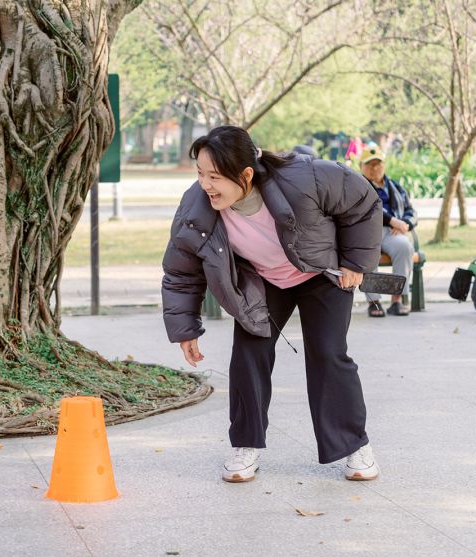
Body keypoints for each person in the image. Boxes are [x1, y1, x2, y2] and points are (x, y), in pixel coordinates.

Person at [161, 125, 382, 484]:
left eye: (214, 176)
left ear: (246, 174)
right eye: (200, 173)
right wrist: (185, 328)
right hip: (263, 281)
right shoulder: (197, 206)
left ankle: (355, 446)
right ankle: (245, 445)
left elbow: (361, 201)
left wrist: (355, 262)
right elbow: (181, 270)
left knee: (328, 354)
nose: (205, 184)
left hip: (319, 275)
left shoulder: (303, 176)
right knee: (249, 354)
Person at [359, 146, 417, 317]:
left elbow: (411, 211)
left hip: (393, 233)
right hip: (367, 232)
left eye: (377, 164)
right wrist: (393, 221)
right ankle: (374, 302)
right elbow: (369, 209)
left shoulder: (395, 187)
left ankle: (396, 301)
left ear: (383, 165)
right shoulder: (359, 186)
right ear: (361, 166)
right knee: (368, 253)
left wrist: (405, 223)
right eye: (369, 165)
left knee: (404, 247)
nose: (374, 168)